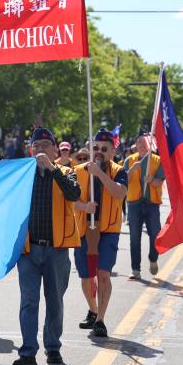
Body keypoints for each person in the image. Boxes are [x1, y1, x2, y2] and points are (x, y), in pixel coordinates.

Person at [12, 128, 81, 365]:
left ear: (54, 149)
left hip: (56, 250)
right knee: (29, 301)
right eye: (36, 145)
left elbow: (74, 194)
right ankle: (28, 352)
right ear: (31, 149)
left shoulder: (67, 172)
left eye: (45, 145)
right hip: (29, 251)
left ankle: (53, 348)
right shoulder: (22, 175)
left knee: (55, 302)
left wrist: (52, 169)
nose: (40, 149)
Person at [72, 128, 128, 338]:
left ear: (112, 151)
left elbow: (119, 193)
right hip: (84, 229)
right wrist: (84, 207)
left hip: (108, 231)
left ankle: (101, 320)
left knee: (103, 275)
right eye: (96, 147)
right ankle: (93, 310)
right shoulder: (77, 171)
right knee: (86, 277)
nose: (99, 152)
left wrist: (100, 174)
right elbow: (69, 201)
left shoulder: (119, 171)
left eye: (104, 149)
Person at [124, 132, 164, 280]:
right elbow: (123, 181)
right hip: (134, 204)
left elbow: (159, 182)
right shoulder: (129, 160)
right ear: (136, 144)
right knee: (134, 237)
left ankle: (153, 258)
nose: (141, 144)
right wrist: (132, 170)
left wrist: (151, 180)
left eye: (144, 142)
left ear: (150, 144)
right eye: (139, 142)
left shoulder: (157, 160)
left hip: (152, 203)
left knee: (155, 234)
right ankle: (135, 269)